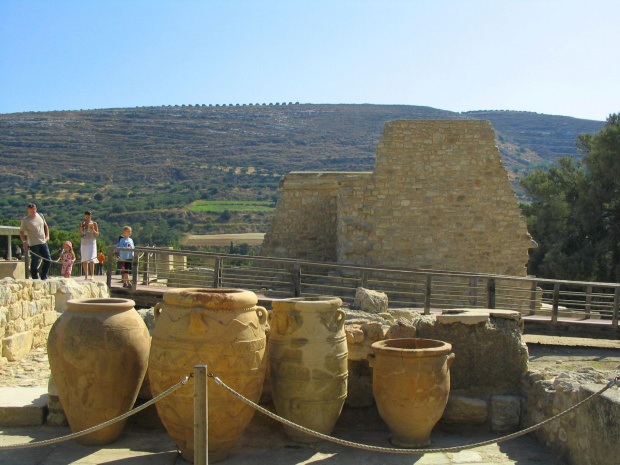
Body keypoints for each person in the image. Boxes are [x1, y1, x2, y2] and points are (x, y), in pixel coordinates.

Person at [19, 203, 52, 280]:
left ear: (35, 209)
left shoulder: (40, 215)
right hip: (33, 243)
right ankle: (34, 277)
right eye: (30, 212)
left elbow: (45, 226)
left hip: (43, 241)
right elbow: (21, 232)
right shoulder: (25, 220)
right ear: (28, 211)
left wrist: (47, 236)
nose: (32, 213)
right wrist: (24, 241)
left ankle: (43, 275)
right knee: (35, 260)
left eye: (33, 211)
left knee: (48, 259)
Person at [78, 210, 99, 280]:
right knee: (85, 259)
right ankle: (86, 275)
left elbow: (97, 234)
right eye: (86, 217)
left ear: (91, 216)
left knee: (92, 259)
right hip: (84, 242)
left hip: (91, 242)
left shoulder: (94, 223)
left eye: (89, 217)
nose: (87, 218)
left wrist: (93, 230)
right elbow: (79, 233)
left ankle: (92, 275)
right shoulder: (82, 223)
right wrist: (81, 227)